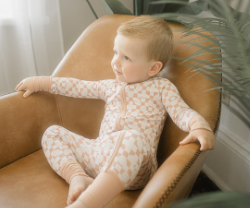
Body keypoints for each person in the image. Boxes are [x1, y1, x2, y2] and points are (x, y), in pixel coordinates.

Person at [15, 15, 216, 208]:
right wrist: (41, 82)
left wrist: (199, 126)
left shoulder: (162, 87)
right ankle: (78, 178)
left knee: (132, 137)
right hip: (99, 155)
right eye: (115, 52)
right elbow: (76, 86)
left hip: (135, 164)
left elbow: (181, 112)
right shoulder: (109, 86)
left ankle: (89, 202)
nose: (115, 62)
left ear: (153, 68)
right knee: (52, 133)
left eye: (126, 57)